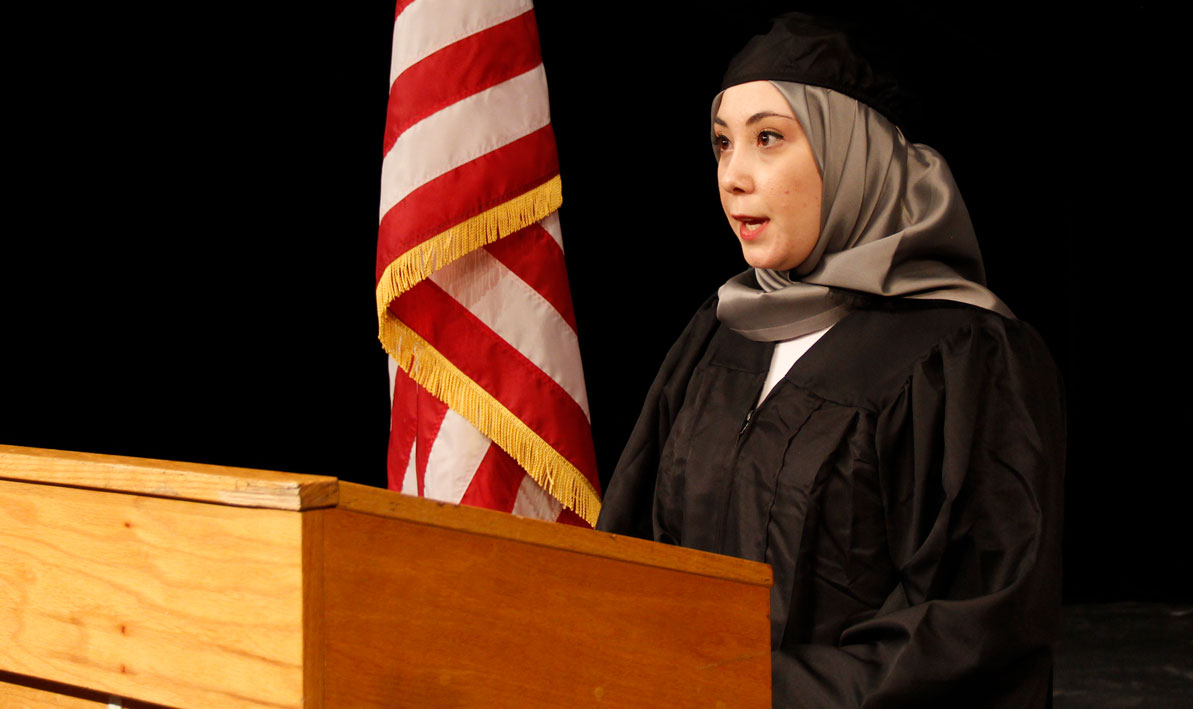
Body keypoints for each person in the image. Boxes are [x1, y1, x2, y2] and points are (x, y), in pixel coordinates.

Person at [596, 13, 1065, 708]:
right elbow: (633, 543)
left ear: (855, 154)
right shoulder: (720, 332)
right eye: (722, 144)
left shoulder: (963, 354)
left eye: (768, 139)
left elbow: (972, 627)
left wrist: (741, 689)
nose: (733, 176)